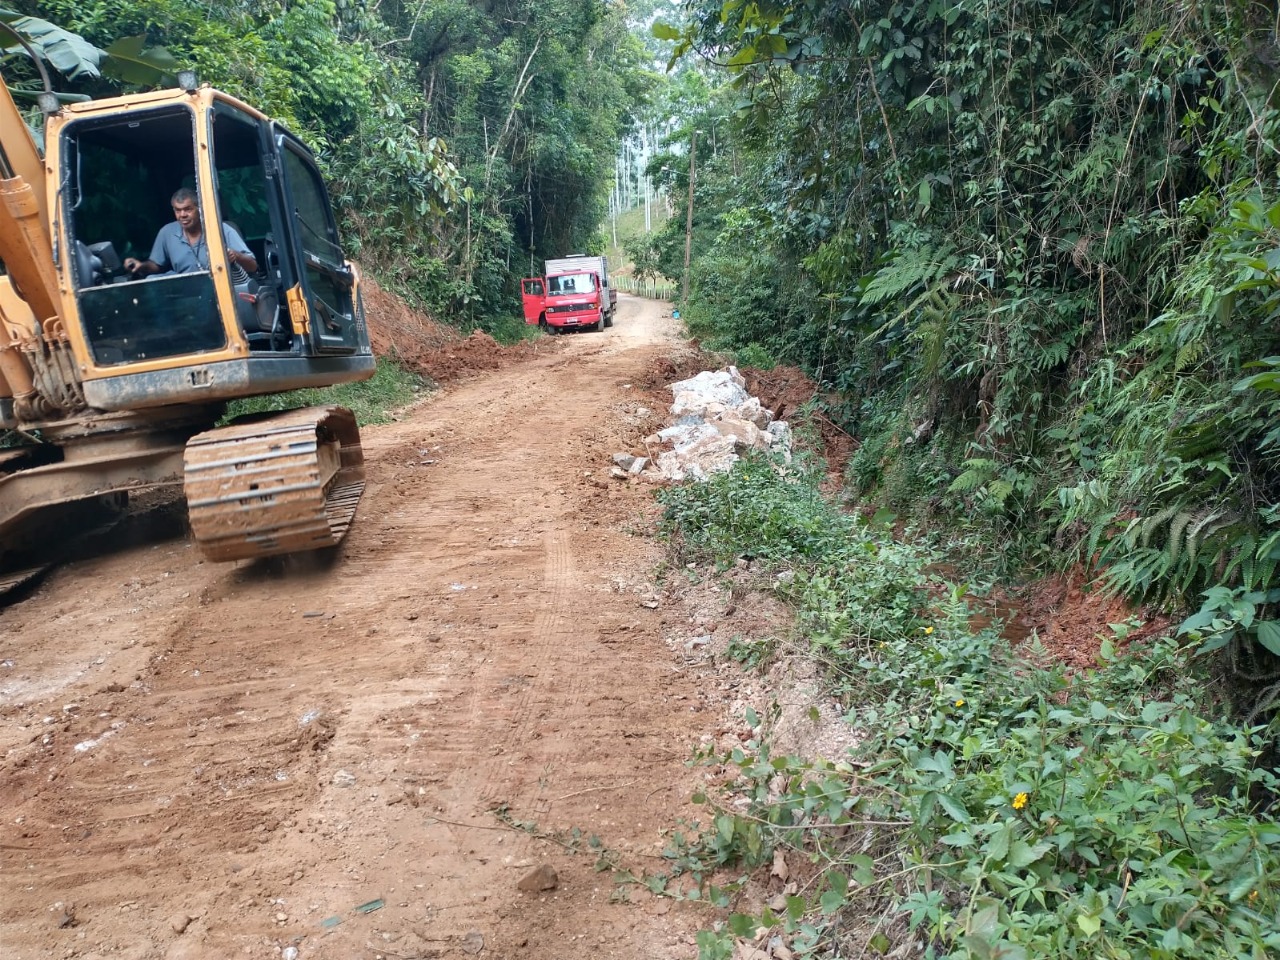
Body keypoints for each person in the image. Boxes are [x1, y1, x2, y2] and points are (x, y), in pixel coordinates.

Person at [124, 188, 258, 279]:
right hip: (185, 296)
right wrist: (141, 266)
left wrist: (236, 256)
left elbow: (252, 266)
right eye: (178, 210)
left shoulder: (222, 229)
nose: (182, 215)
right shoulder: (167, 232)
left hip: (220, 292)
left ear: (199, 208)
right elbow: (156, 266)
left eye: (188, 209)